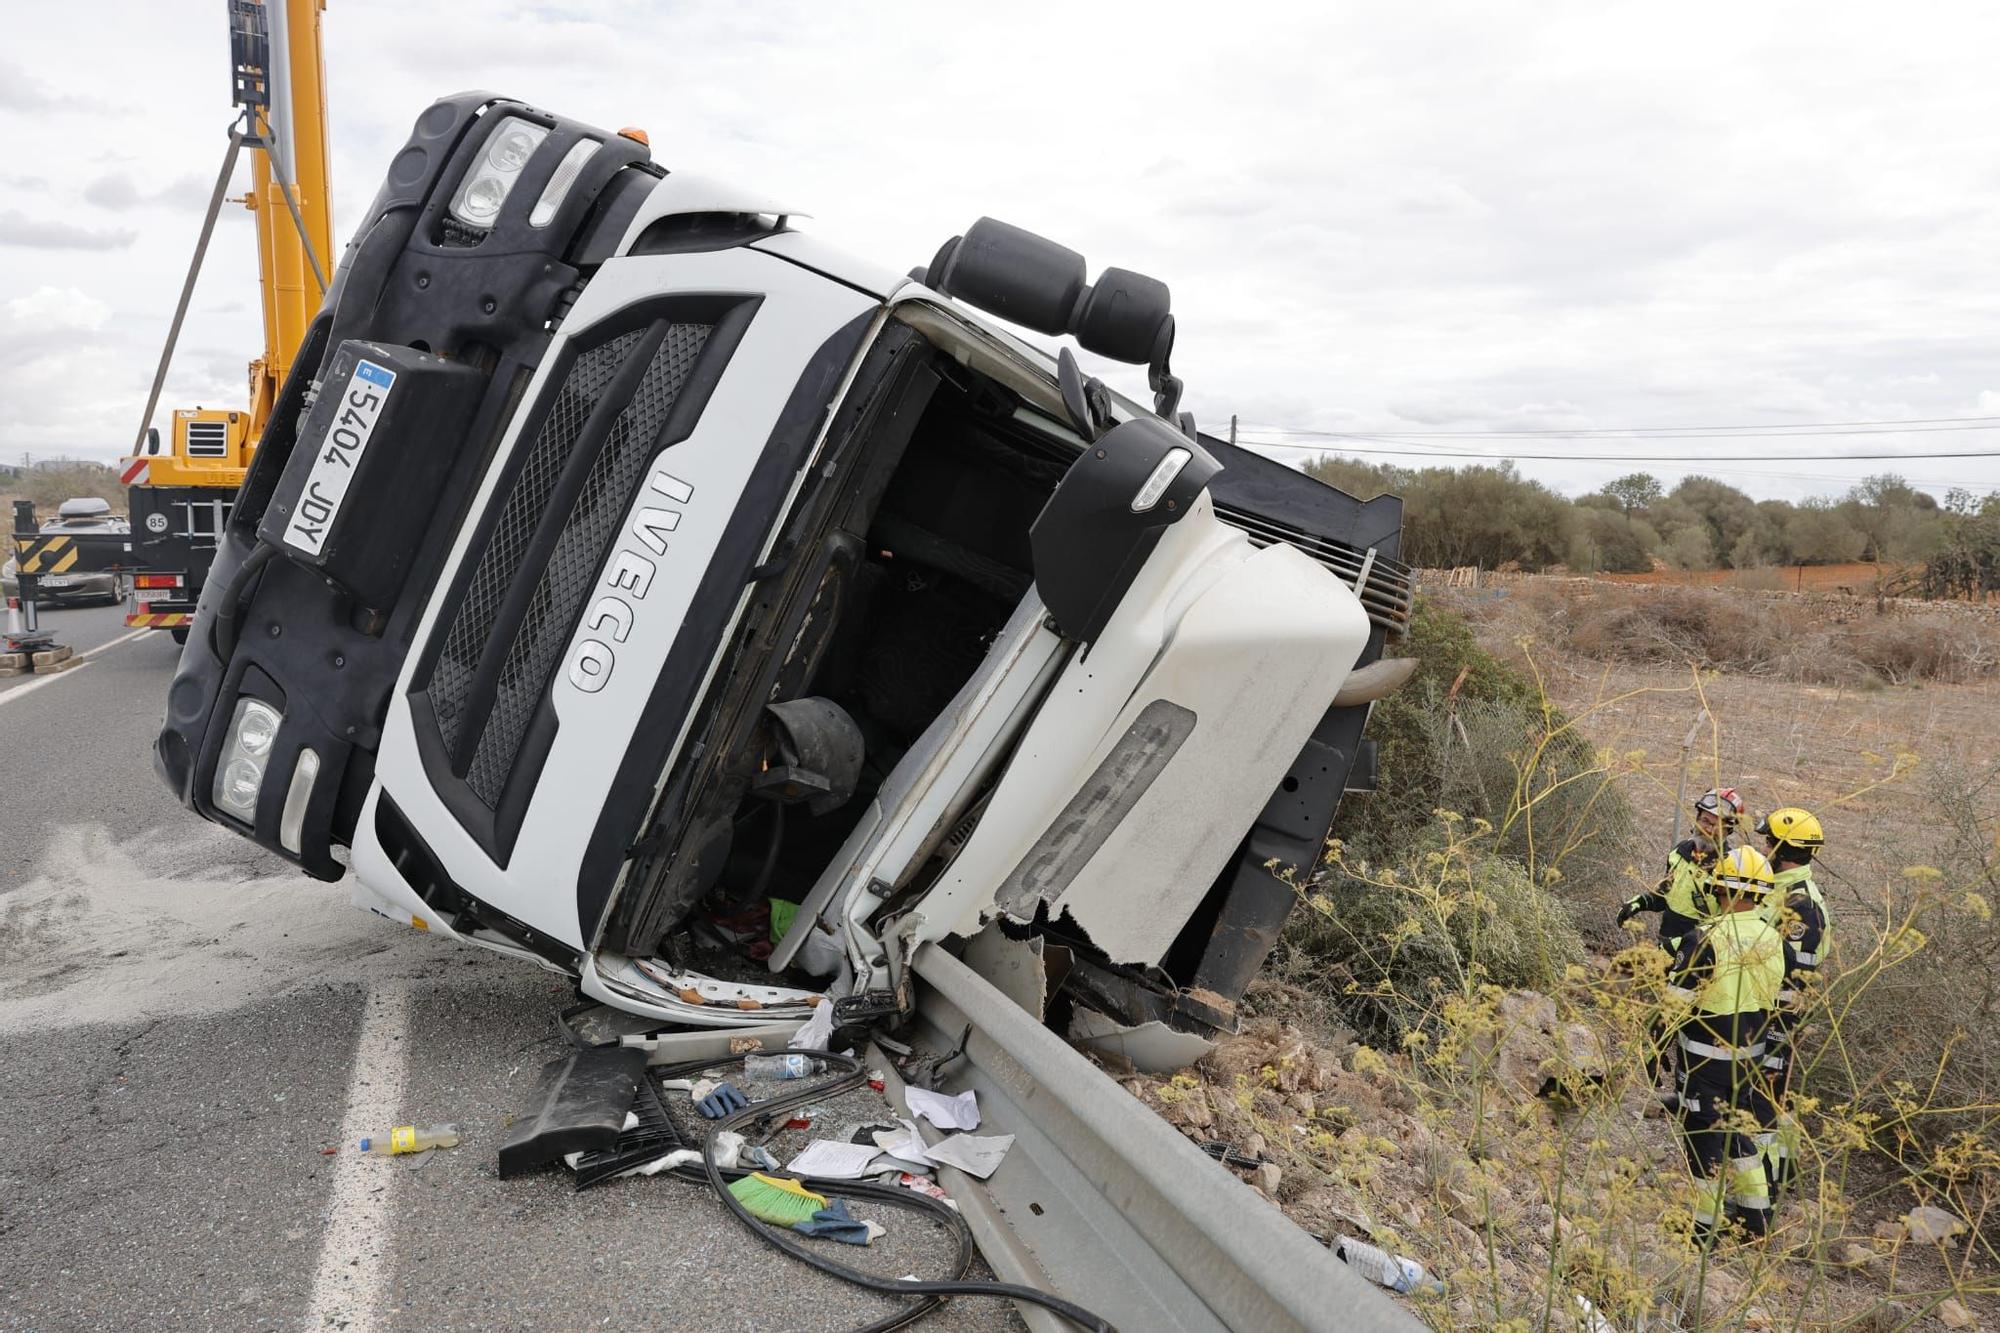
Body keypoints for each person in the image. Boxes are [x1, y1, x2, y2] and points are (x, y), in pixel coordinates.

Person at [1659, 844, 1785, 1246]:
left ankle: (1702, 1228)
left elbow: (1675, 1001)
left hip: (1704, 1062)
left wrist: (1654, 1042)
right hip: (1749, 1057)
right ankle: (1756, 1216)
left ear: (1718, 888)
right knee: (1737, 1132)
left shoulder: (1706, 937)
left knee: (1703, 1142)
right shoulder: (1772, 937)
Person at [1754, 806, 1828, 1200]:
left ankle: (1763, 1189)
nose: (1763, 846)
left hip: (1778, 1015)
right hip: (1773, 1011)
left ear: (1781, 848)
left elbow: (1791, 970)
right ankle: (1784, 1172)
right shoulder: (1785, 890)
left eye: (1768, 841)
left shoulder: (1801, 905)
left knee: (1764, 1099)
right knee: (1774, 1096)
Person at [1619, 787, 1747, 948]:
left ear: (1728, 831)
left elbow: (1730, 923)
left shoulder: (1731, 867)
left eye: (1718, 826)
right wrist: (1641, 901)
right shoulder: (1680, 852)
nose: (1708, 829)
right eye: (1705, 821)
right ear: (1697, 819)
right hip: (1666, 943)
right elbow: (1666, 894)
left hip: (1700, 953)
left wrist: (1687, 944)